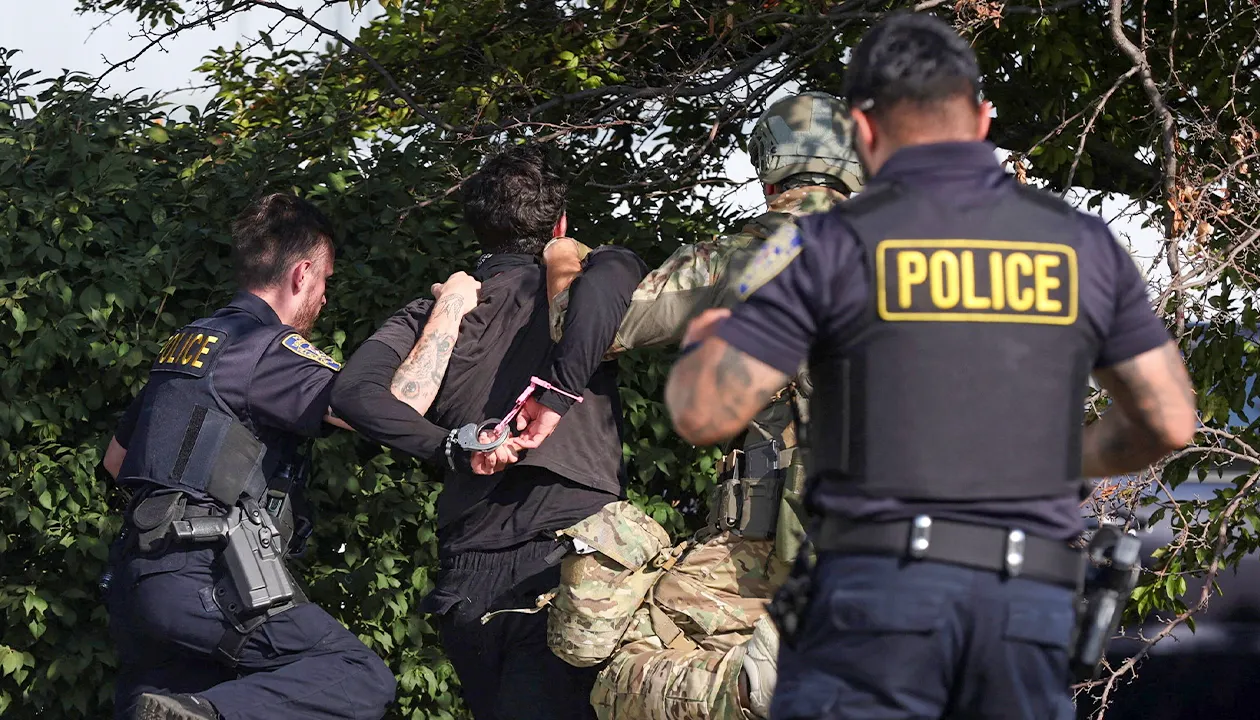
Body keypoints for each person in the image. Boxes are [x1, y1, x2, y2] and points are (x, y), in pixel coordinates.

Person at [663, 13, 1197, 720]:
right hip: (1025, 609)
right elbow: (1169, 420)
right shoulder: (1081, 244)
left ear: (863, 129)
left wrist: (709, 338)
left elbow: (704, 414)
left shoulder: (821, 244)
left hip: (873, 609)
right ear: (981, 119)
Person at [526, 91, 863, 720]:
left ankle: (762, 691)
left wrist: (563, 266)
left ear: (769, 162)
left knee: (610, 652)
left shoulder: (752, 251)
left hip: (772, 547)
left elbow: (592, 331)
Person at [100, 192, 479, 720]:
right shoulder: (267, 350)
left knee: (174, 706)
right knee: (354, 675)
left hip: (140, 581)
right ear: (301, 274)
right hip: (208, 576)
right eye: (324, 281)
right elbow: (396, 406)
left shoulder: (190, 345)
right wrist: (451, 306)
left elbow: (118, 462)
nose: (324, 297)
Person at [329, 144, 649, 720]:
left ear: (479, 229)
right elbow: (614, 277)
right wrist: (556, 391)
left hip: (469, 568)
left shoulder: (433, 311)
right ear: (560, 225)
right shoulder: (586, 290)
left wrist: (451, 446)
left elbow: (355, 394)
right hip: (574, 558)